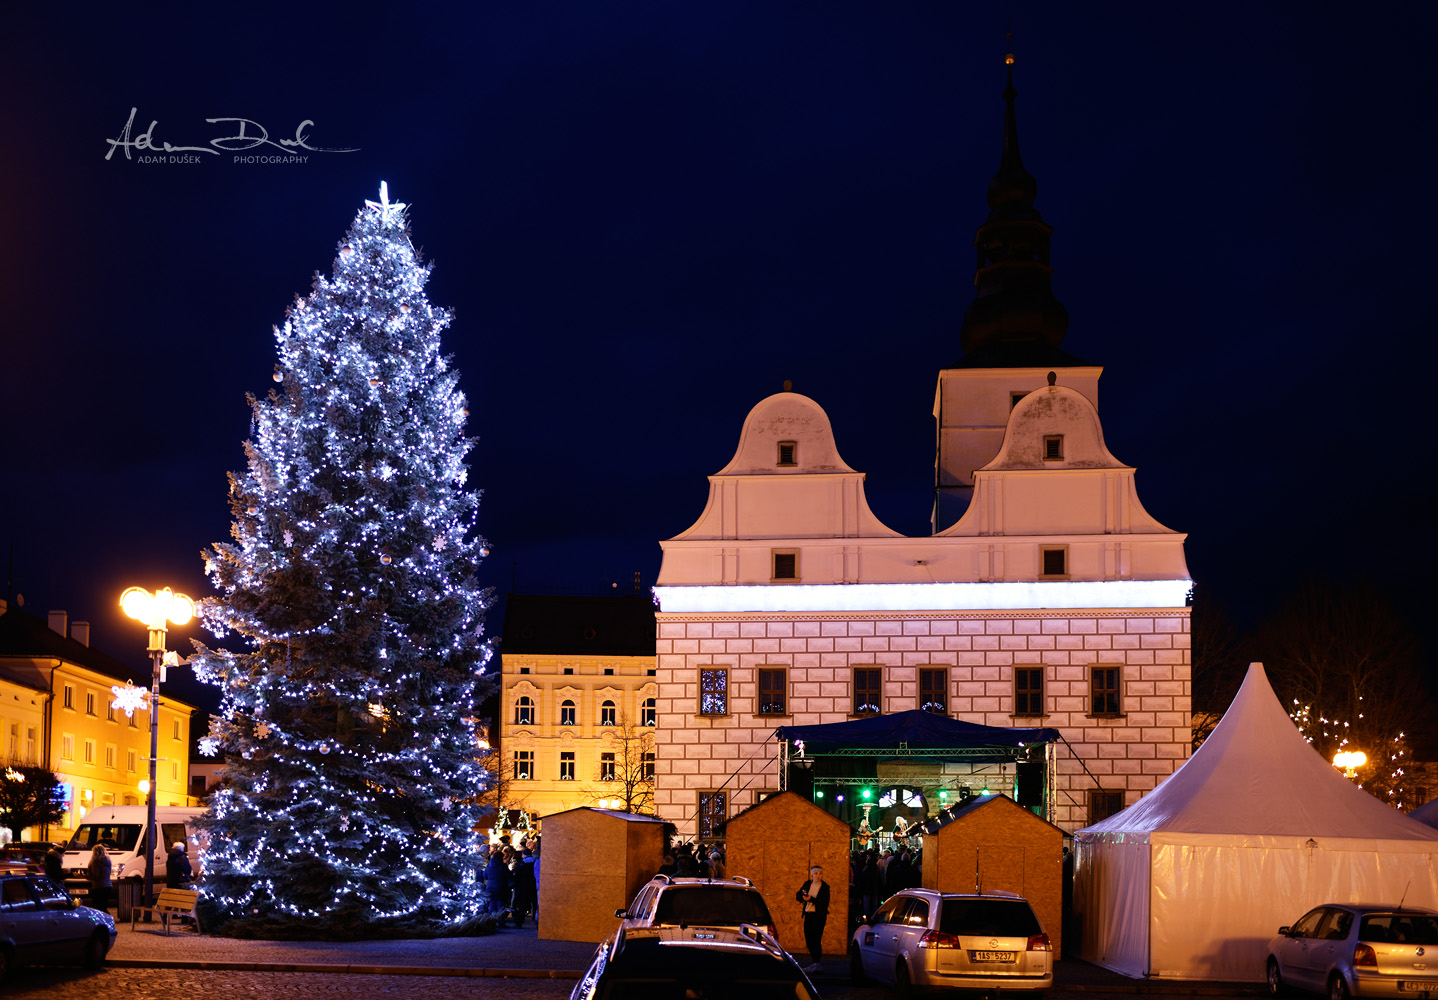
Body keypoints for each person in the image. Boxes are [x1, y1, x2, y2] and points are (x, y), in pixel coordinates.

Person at [795, 864, 830, 974]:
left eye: (820, 874)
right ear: (812, 875)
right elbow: (798, 895)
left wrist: (811, 899)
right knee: (809, 938)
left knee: (816, 938)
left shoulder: (824, 887)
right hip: (808, 915)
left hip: (818, 916)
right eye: (816, 874)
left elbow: (824, 902)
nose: (818, 876)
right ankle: (814, 962)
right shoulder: (807, 884)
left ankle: (817, 962)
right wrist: (803, 898)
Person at [484, 845, 512, 926]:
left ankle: (491, 922)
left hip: (489, 886)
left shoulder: (488, 865)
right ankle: (501, 922)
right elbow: (509, 875)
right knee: (501, 904)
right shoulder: (503, 866)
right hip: (500, 887)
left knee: (492, 904)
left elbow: (485, 876)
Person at [87, 843, 112, 913]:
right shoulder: (108, 861)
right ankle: (107, 920)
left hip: (99, 887)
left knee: (97, 907)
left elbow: (95, 876)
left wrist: (84, 876)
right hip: (108, 886)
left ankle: (106, 921)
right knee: (103, 906)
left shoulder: (96, 861)